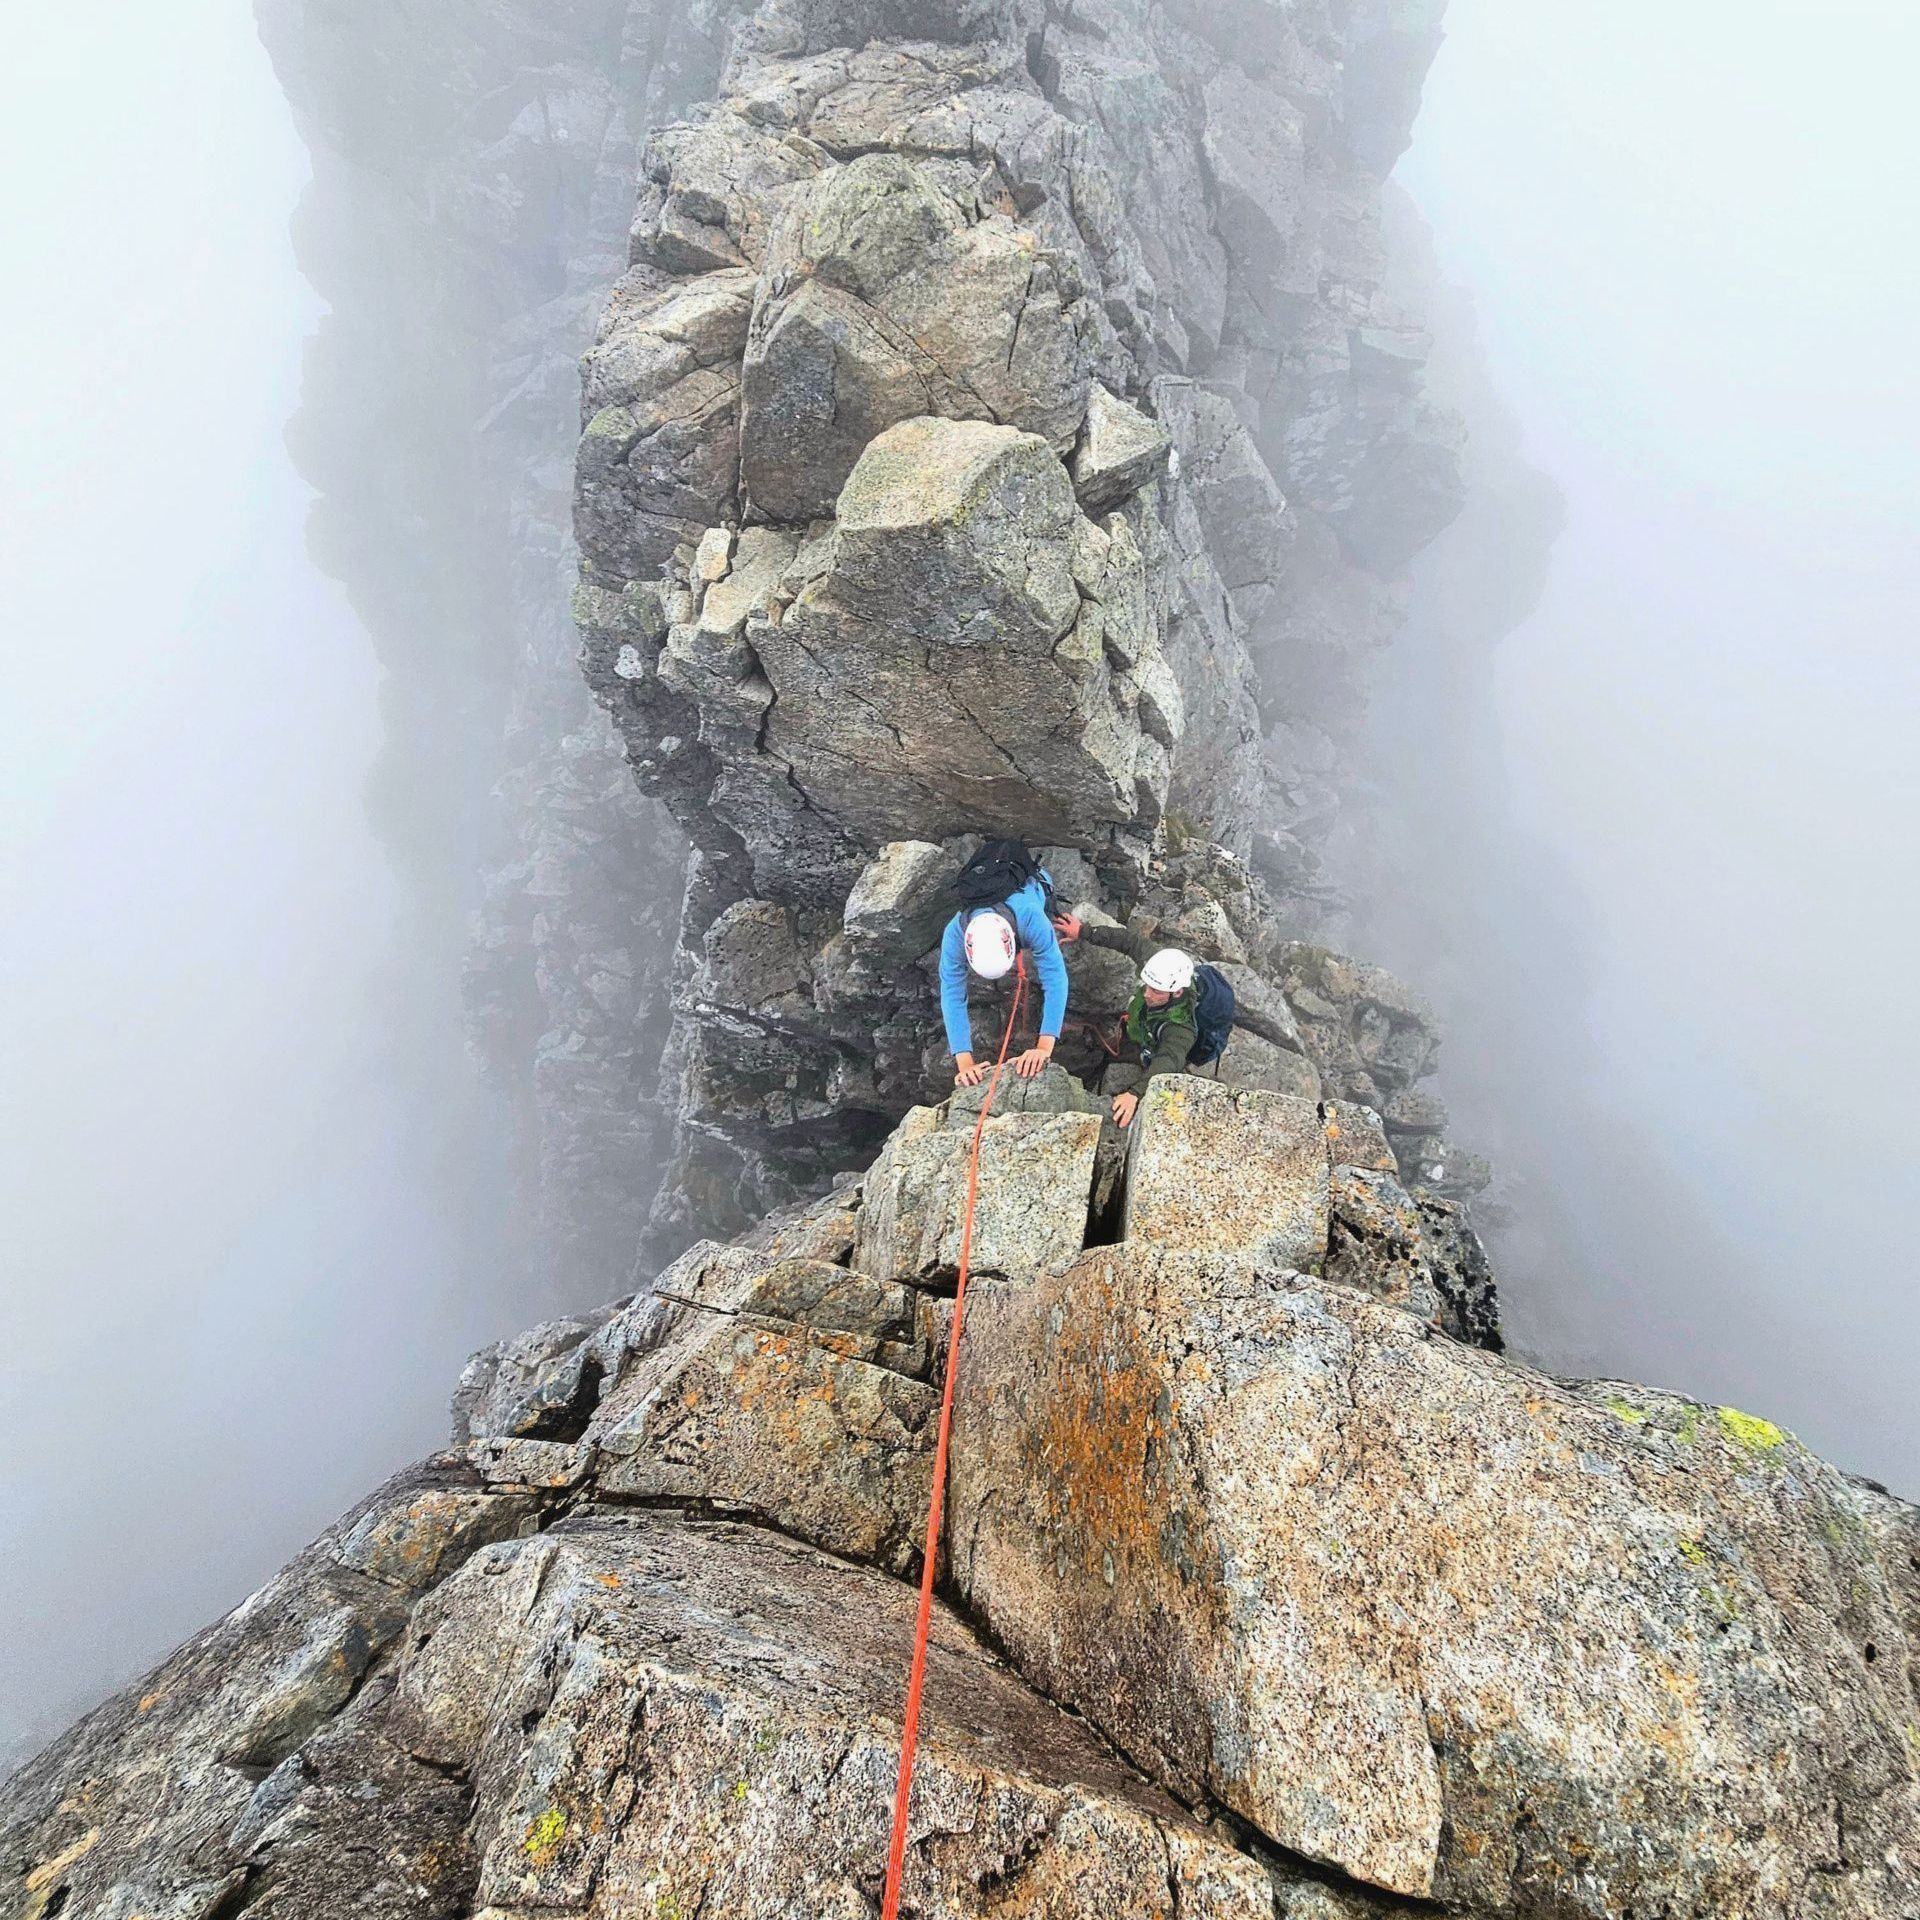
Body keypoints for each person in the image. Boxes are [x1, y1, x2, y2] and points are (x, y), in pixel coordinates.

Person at [1053, 911, 1208, 1127]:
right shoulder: (1157, 966)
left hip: (1148, 1044)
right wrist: (1084, 931)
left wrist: (1135, 1093)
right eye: (1147, 986)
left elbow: (1169, 1059)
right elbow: (1129, 941)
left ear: (1178, 993)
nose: (1147, 994)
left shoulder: (1180, 1028)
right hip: (1137, 1025)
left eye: (1157, 991)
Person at [938, 862, 1068, 1086]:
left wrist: (1044, 1048)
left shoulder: (1031, 917)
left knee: (1048, 944)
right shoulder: (955, 933)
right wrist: (965, 1063)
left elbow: (1055, 978)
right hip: (998, 905)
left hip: (1033, 886)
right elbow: (952, 994)